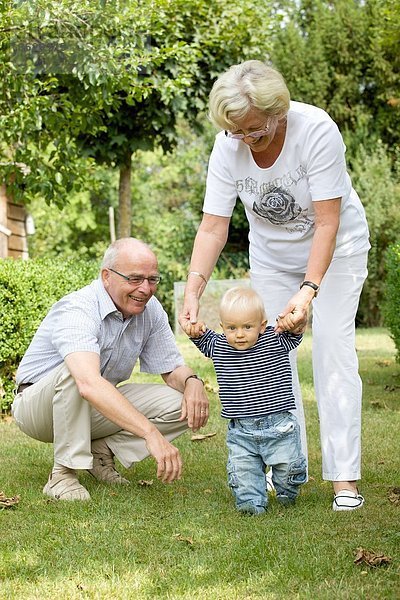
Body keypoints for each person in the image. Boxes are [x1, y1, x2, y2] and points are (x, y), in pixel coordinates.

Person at [179, 60, 370, 511]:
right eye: (235, 131)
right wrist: (193, 291)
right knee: (267, 356)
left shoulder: (316, 130)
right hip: (271, 255)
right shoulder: (227, 146)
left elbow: (327, 221)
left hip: (336, 250)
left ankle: (344, 477)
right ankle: (285, 466)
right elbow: (212, 227)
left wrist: (307, 291)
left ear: (277, 111)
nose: (245, 139)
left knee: (332, 351)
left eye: (253, 130)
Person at [12, 237, 209, 501]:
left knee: (181, 403)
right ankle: (62, 475)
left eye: (152, 279)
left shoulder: (150, 310)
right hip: (37, 408)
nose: (145, 289)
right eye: (135, 279)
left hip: (90, 404)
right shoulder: (79, 308)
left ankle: (100, 453)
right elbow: (87, 382)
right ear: (107, 276)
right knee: (77, 371)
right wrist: (150, 433)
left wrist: (193, 382)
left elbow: (172, 368)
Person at [182, 286, 306, 515]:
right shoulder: (218, 345)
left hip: (279, 427)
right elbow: (199, 336)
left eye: (247, 327)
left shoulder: (275, 339)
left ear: (262, 325)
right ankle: (252, 505)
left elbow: (296, 332)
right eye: (231, 328)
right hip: (242, 433)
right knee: (244, 473)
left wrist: (296, 321)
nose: (239, 334)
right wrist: (193, 328)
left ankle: (287, 492)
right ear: (223, 327)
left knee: (288, 470)